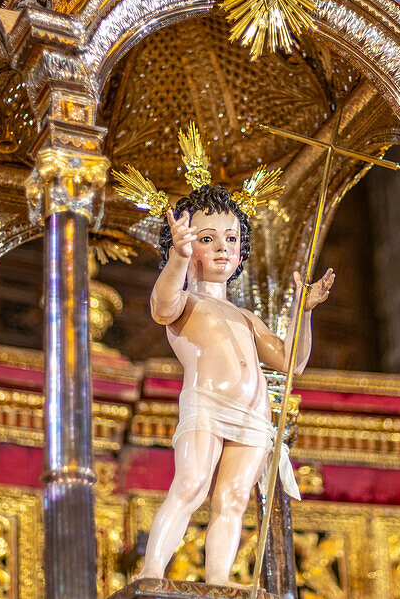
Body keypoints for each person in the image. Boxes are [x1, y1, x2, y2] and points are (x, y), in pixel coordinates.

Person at [136, 184, 334, 585]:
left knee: (233, 500)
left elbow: (291, 360)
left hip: (253, 416)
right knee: (191, 486)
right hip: (208, 404)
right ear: (188, 245)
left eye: (231, 239)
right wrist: (178, 257)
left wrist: (303, 310)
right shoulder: (184, 302)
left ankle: (219, 580)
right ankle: (152, 571)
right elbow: (161, 306)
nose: (223, 247)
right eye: (207, 239)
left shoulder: (245, 317)